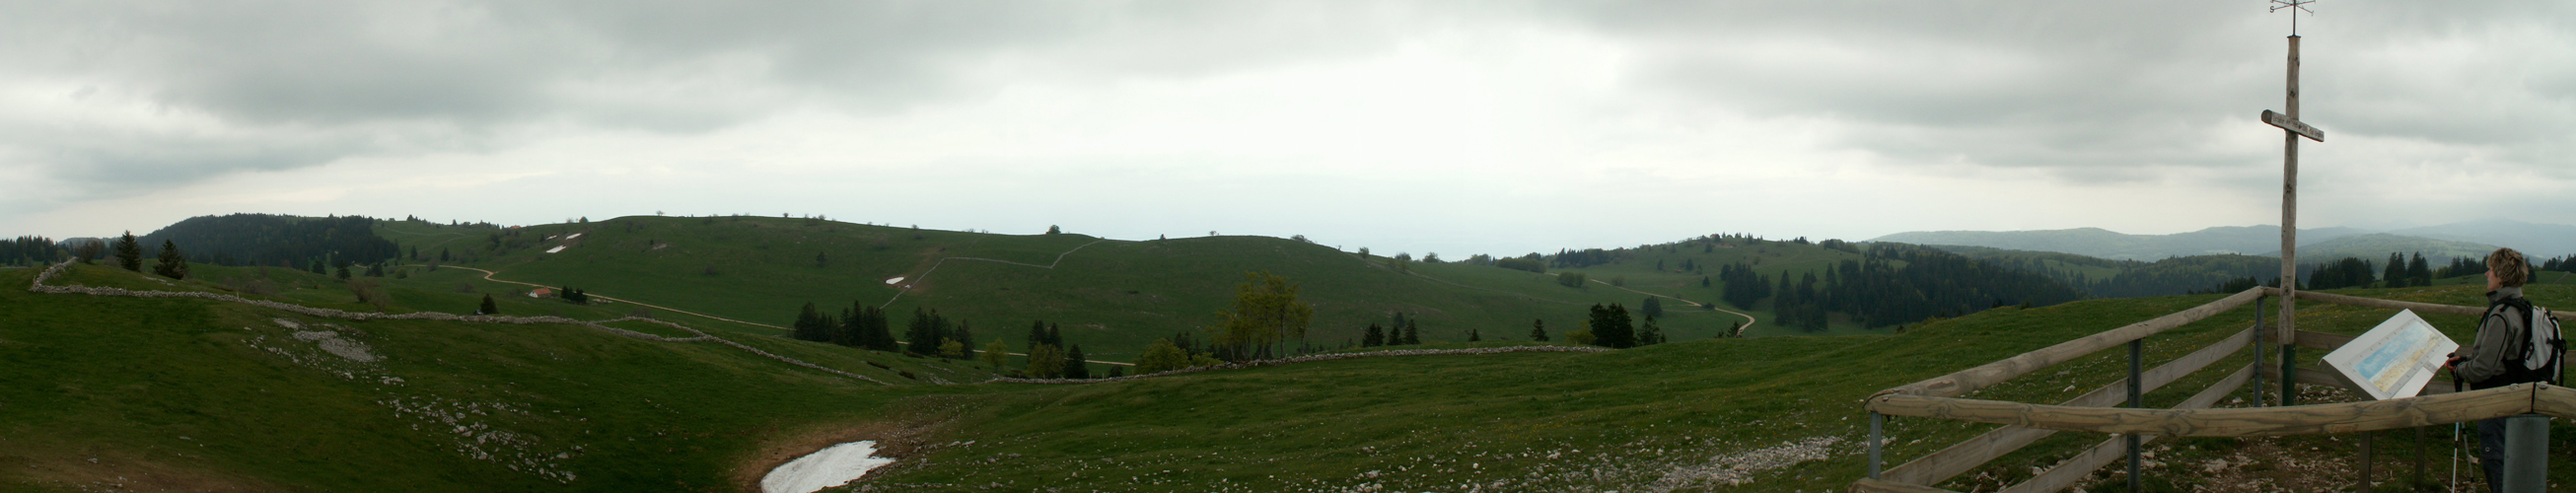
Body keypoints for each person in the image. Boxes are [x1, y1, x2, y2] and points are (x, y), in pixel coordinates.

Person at [2444, 247, 2540, 493]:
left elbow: (2485, 368)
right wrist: (2465, 360)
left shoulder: (2501, 315)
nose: (2487, 274)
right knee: (2510, 464)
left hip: (2496, 402)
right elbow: (2505, 357)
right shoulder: (2522, 306)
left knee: (2496, 462)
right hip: (2515, 397)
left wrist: (2459, 371)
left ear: (2502, 276)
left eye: (2491, 270)